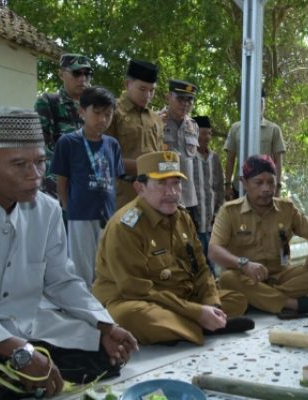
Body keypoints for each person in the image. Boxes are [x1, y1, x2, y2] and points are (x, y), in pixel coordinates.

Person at [0, 108, 137, 399]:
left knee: (105, 356)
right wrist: (18, 350)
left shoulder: (47, 209)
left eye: (40, 162)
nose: (35, 176)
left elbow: (61, 280)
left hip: (30, 323)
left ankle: (12, 378)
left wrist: (105, 324)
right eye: (19, 164)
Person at [93, 151, 253, 345]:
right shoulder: (125, 227)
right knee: (131, 316)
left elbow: (202, 269)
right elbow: (137, 290)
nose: (172, 192)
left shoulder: (183, 218)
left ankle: (191, 325)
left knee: (237, 299)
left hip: (179, 296)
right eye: (161, 183)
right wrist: (196, 312)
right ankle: (203, 326)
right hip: (135, 299)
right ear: (140, 188)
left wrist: (212, 303)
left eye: (176, 183)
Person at [209, 155, 308, 319]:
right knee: (227, 278)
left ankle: (259, 300)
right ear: (244, 182)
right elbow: (214, 251)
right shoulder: (229, 212)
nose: (266, 189)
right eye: (259, 183)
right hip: (246, 277)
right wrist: (244, 264)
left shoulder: (287, 209)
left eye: (271, 182)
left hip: (282, 277)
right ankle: (293, 304)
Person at [50, 86, 124, 286]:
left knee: (105, 265)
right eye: (97, 113)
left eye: (108, 114)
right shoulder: (68, 142)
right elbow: (62, 180)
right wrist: (68, 206)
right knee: (81, 268)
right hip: (80, 214)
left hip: (107, 215)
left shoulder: (112, 144)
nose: (102, 119)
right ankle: (83, 302)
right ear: (82, 111)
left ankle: (102, 301)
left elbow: (115, 179)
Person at [107, 59, 164, 209]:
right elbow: (104, 159)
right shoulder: (111, 112)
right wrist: (145, 165)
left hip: (153, 194)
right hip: (122, 194)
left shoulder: (155, 119)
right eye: (142, 89)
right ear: (127, 84)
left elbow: (159, 154)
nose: (148, 95)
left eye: (152, 90)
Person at [35, 53, 93, 200]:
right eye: (76, 73)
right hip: (58, 189)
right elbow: (42, 149)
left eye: (87, 74)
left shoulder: (96, 107)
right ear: (61, 74)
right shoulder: (49, 102)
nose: (83, 79)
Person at [224, 90, 286, 199]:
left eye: (261, 102)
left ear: (264, 104)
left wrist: (277, 187)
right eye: (254, 102)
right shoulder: (235, 128)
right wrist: (228, 185)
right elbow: (230, 159)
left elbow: (278, 162)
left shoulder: (273, 129)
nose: (258, 106)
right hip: (240, 187)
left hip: (265, 188)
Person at [160, 79, 200, 220]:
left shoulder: (193, 126)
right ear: (168, 97)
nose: (185, 104)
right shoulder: (155, 121)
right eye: (181, 99)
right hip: (163, 196)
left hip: (188, 198)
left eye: (189, 100)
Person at [191, 115, 225, 275]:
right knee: (198, 261)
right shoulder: (188, 157)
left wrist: (219, 212)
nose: (206, 137)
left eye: (209, 133)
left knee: (213, 261)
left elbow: (219, 188)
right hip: (195, 218)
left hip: (212, 220)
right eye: (202, 133)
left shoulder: (214, 158)